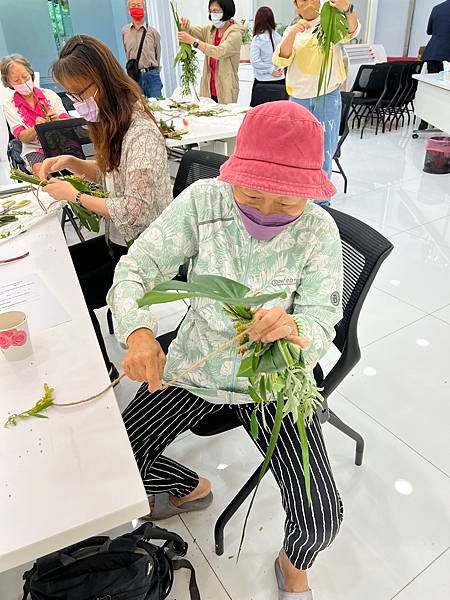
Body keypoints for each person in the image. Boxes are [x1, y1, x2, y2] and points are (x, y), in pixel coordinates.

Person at [108, 100, 344, 600]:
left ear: (310, 192)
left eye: (287, 203)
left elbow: (324, 317)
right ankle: (190, 486)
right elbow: (135, 270)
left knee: (322, 513)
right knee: (119, 461)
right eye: (253, 195)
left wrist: (294, 328)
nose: (265, 211)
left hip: (272, 380)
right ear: (234, 172)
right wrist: (139, 332)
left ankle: (292, 558)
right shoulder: (203, 202)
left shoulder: (319, 231)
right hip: (200, 362)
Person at [38, 35, 171, 381]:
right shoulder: (115, 123)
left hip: (148, 252)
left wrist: (75, 196)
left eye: (82, 93)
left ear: (104, 81)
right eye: (72, 95)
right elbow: (112, 178)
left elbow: (134, 210)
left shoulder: (140, 132)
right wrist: (73, 163)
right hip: (121, 242)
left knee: (73, 294)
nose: (78, 102)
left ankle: (104, 370)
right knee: (61, 272)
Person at [273, 0, 360, 206]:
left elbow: (352, 31)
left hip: (326, 97)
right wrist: (293, 32)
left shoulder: (330, 21)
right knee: (295, 153)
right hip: (298, 99)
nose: (309, 2)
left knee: (324, 152)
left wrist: (346, 8)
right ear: (296, 6)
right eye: (303, 0)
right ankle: (296, 201)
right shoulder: (292, 31)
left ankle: (322, 204)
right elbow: (281, 60)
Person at [0, 54, 70, 175]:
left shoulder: (49, 95)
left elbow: (68, 124)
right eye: (16, 80)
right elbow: (22, 137)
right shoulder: (9, 105)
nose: (23, 82)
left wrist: (57, 120)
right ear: (9, 83)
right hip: (34, 149)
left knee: (75, 166)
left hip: (62, 144)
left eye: (25, 76)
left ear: (31, 74)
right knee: (41, 172)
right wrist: (37, 128)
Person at [178, 0, 242, 103]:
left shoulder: (235, 34)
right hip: (208, 88)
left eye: (216, 11)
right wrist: (185, 25)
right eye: (211, 11)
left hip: (225, 89)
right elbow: (191, 31)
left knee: (224, 117)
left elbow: (219, 52)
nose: (213, 15)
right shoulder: (210, 30)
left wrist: (194, 41)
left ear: (226, 11)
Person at [419, 0, 450, 130]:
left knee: (430, 88)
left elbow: (429, 31)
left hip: (434, 51)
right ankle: (443, 120)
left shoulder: (437, 8)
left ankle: (425, 120)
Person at [123, 0, 163, 98]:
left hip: (152, 75)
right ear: (129, 10)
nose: (136, 7)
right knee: (137, 107)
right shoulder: (125, 31)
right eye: (133, 5)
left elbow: (158, 53)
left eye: (139, 5)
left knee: (157, 105)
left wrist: (155, 70)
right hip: (134, 76)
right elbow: (127, 52)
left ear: (144, 9)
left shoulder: (153, 32)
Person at [250, 6, 285, 106]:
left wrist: (270, 70)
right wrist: (278, 69)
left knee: (259, 116)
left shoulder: (258, 39)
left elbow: (255, 62)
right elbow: (284, 57)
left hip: (262, 84)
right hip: (280, 82)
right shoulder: (279, 37)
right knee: (278, 114)